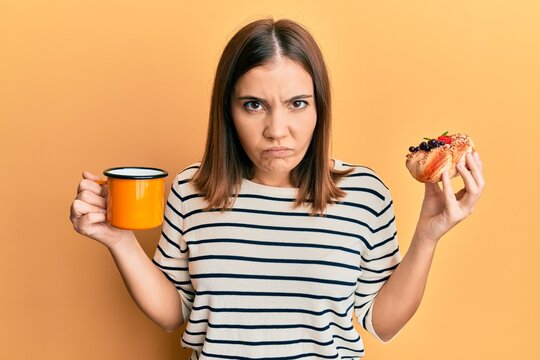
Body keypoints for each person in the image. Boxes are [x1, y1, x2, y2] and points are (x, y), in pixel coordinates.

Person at [70, 18, 485, 359]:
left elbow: (382, 321)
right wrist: (119, 241)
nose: (276, 130)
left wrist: (428, 237)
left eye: (297, 103)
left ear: (320, 108)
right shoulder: (190, 190)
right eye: (254, 105)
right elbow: (172, 313)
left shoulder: (365, 193)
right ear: (227, 110)